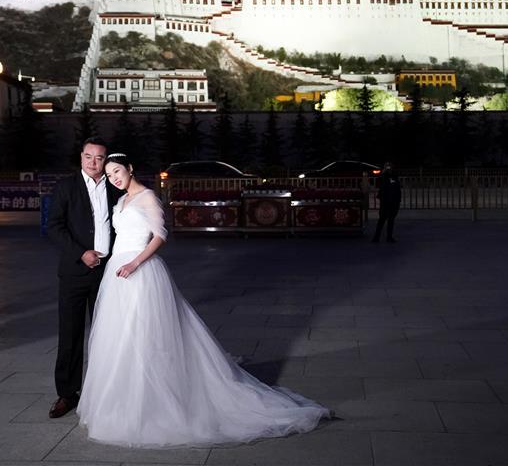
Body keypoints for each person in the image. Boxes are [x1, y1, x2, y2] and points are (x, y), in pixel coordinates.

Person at [77, 153, 330, 447]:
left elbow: (159, 236)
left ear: (130, 169)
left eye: (118, 171)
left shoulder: (147, 197)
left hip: (141, 271)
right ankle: (118, 401)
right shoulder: (120, 202)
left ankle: (155, 400)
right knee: (119, 337)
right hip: (115, 273)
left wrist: (135, 263)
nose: (114, 178)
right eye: (109, 175)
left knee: (147, 335)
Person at [46, 137, 121, 418]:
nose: (93, 162)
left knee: (107, 335)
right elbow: (53, 227)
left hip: (107, 273)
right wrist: (81, 253)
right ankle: (67, 394)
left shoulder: (115, 187)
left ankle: (106, 392)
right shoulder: (66, 187)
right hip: (74, 273)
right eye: (88, 156)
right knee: (70, 335)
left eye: (99, 158)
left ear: (106, 160)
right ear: (81, 157)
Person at [372, 161, 401, 243]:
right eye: (387, 167)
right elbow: (380, 185)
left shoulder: (395, 176)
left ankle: (389, 237)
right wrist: (384, 173)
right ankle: (377, 237)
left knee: (390, 220)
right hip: (385, 202)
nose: (389, 168)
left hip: (393, 202)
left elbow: (397, 189)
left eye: (390, 167)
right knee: (382, 220)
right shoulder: (383, 176)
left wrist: (398, 201)